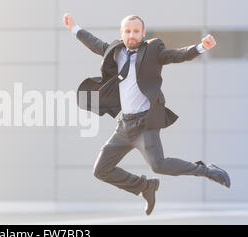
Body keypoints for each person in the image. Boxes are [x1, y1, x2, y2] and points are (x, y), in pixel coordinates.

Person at [63, 13, 230, 215]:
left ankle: (207, 170)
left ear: (142, 33)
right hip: (124, 126)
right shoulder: (114, 51)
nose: (131, 35)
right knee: (101, 170)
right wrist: (74, 27)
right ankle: (144, 187)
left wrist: (200, 47)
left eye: (136, 31)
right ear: (122, 33)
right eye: (127, 31)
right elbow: (94, 42)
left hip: (145, 123)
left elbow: (175, 55)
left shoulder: (153, 50)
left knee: (158, 165)